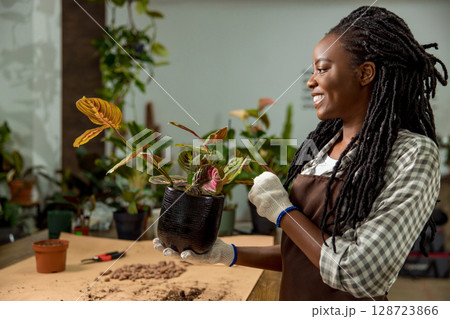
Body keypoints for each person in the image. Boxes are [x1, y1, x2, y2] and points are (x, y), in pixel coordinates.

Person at [153, 6, 448, 300]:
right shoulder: (321, 149)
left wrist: (284, 212)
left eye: (321, 69)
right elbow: (303, 255)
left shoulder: (412, 154)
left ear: (365, 73)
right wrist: (227, 253)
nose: (310, 81)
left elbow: (357, 273)